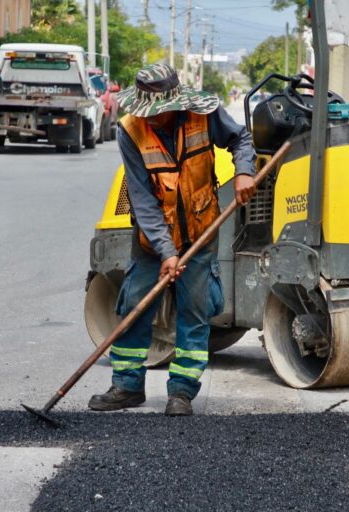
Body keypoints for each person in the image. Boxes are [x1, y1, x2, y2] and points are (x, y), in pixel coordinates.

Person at [88, 63, 257, 416]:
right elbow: (143, 200)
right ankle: (127, 385)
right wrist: (165, 252)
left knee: (194, 312)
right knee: (135, 305)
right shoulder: (130, 131)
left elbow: (241, 138)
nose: (155, 119)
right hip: (152, 240)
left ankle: (181, 392)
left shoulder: (204, 115)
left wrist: (244, 172)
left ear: (176, 104)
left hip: (200, 230)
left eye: (161, 113)